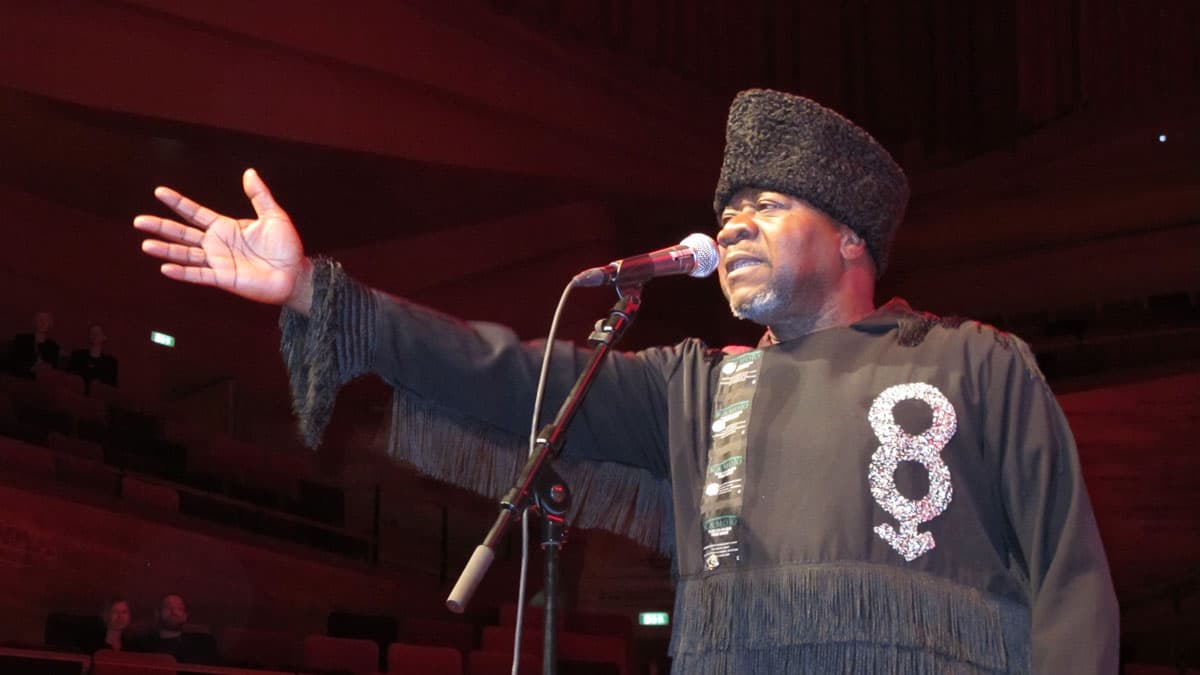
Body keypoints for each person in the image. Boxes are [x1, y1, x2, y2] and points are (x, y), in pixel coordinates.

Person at [134, 89, 1119, 673]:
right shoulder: (695, 390)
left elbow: (1069, 583)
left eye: (767, 205)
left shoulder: (976, 362)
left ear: (851, 233)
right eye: (726, 210)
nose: (732, 224)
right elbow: (501, 374)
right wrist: (317, 292)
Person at [127, 593, 220, 664]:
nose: (174, 611)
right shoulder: (142, 645)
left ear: (185, 615)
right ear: (157, 613)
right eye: (168, 607)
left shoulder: (203, 643)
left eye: (179, 608)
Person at [66, 324, 119, 393]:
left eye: (98, 333)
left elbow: (111, 388)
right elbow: (69, 377)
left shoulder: (110, 363)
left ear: (104, 337)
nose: (94, 335)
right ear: (88, 336)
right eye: (92, 333)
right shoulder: (77, 356)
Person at [9, 310, 60, 378]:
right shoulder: (21, 340)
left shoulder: (53, 346)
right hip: (23, 377)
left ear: (50, 324)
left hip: (44, 379)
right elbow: (14, 362)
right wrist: (32, 368)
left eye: (46, 320)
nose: (43, 323)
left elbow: (54, 367)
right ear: (34, 322)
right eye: (40, 319)